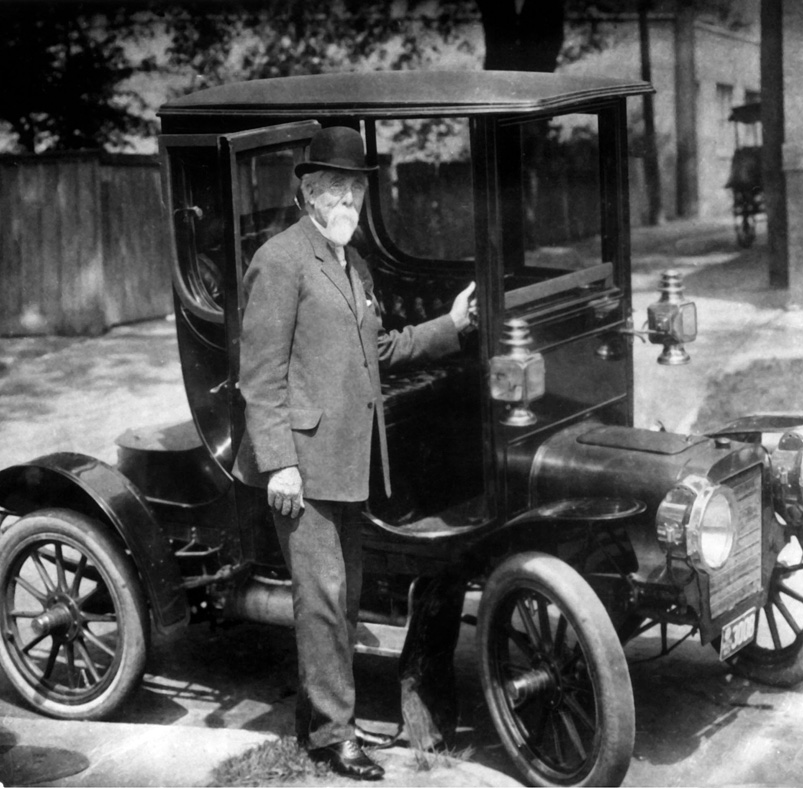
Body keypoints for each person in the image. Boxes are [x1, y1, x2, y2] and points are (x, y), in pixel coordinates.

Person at [232, 125, 475, 781]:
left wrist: (450, 328)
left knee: (344, 600)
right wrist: (280, 461)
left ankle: (324, 722)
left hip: (350, 464)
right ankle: (336, 737)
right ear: (308, 193)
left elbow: (381, 351)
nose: (346, 203)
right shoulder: (281, 261)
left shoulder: (352, 262)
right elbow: (259, 377)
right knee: (321, 601)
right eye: (333, 190)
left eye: (355, 190)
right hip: (303, 468)